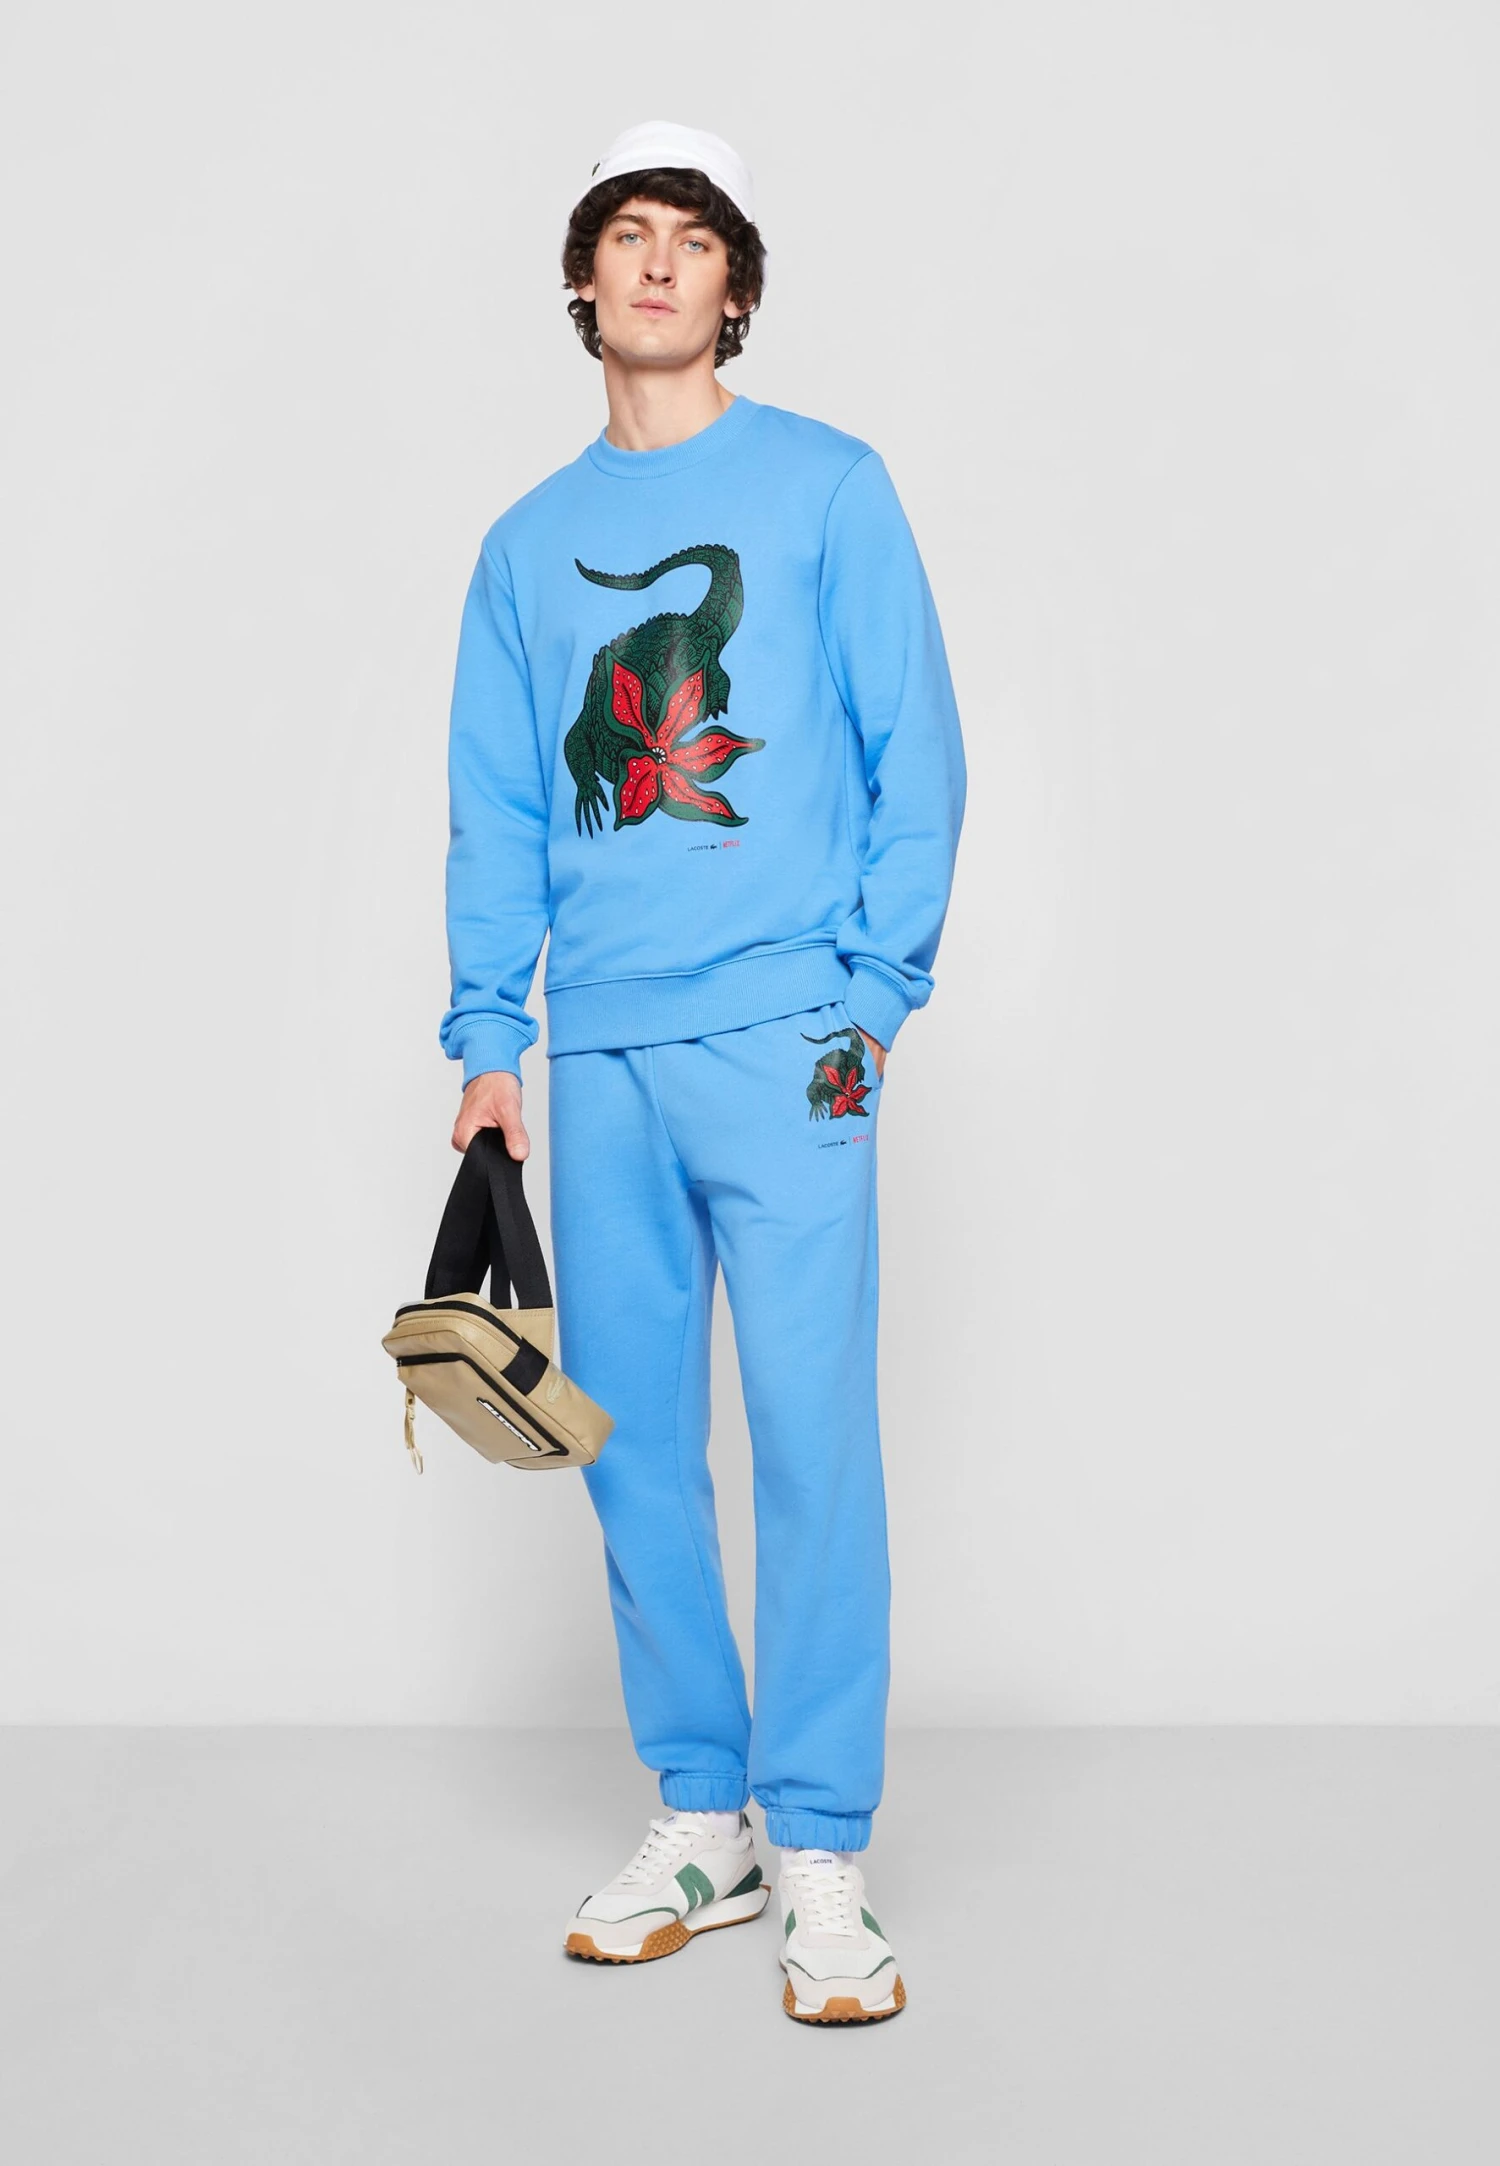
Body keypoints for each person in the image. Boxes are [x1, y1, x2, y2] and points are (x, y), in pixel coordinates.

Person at [439, 119, 966, 2023]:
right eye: (625, 235)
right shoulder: (520, 546)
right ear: (585, 281)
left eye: (693, 239)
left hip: (791, 1042)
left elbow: (918, 752)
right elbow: (500, 808)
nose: (657, 263)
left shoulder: (831, 488)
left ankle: (821, 1841)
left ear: (734, 287)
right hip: (604, 1052)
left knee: (814, 1442)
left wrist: (872, 1002)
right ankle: (704, 1812)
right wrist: (489, 1038)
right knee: (637, 1447)